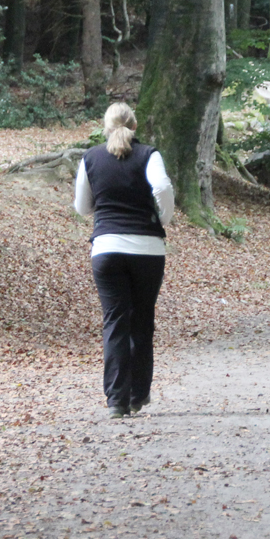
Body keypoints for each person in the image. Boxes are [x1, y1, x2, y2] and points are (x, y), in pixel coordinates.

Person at [73, 102, 175, 418]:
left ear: (106, 127)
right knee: (142, 319)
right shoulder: (149, 155)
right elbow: (162, 187)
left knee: (115, 321)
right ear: (134, 125)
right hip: (147, 249)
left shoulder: (90, 158)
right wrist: (162, 219)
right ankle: (137, 395)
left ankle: (116, 400)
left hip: (106, 248)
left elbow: (82, 207)